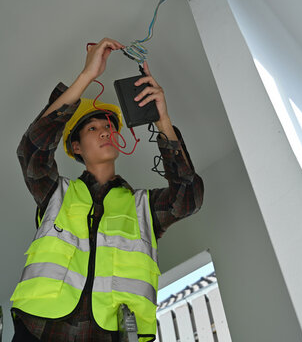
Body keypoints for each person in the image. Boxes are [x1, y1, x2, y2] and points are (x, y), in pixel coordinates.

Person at [10, 38, 204, 342]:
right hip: (40, 332)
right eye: (93, 128)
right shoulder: (55, 195)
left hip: (115, 335)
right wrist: (87, 76)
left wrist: (163, 120)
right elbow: (32, 148)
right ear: (76, 147)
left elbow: (188, 198)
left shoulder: (144, 207)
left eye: (110, 126)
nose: (105, 130)